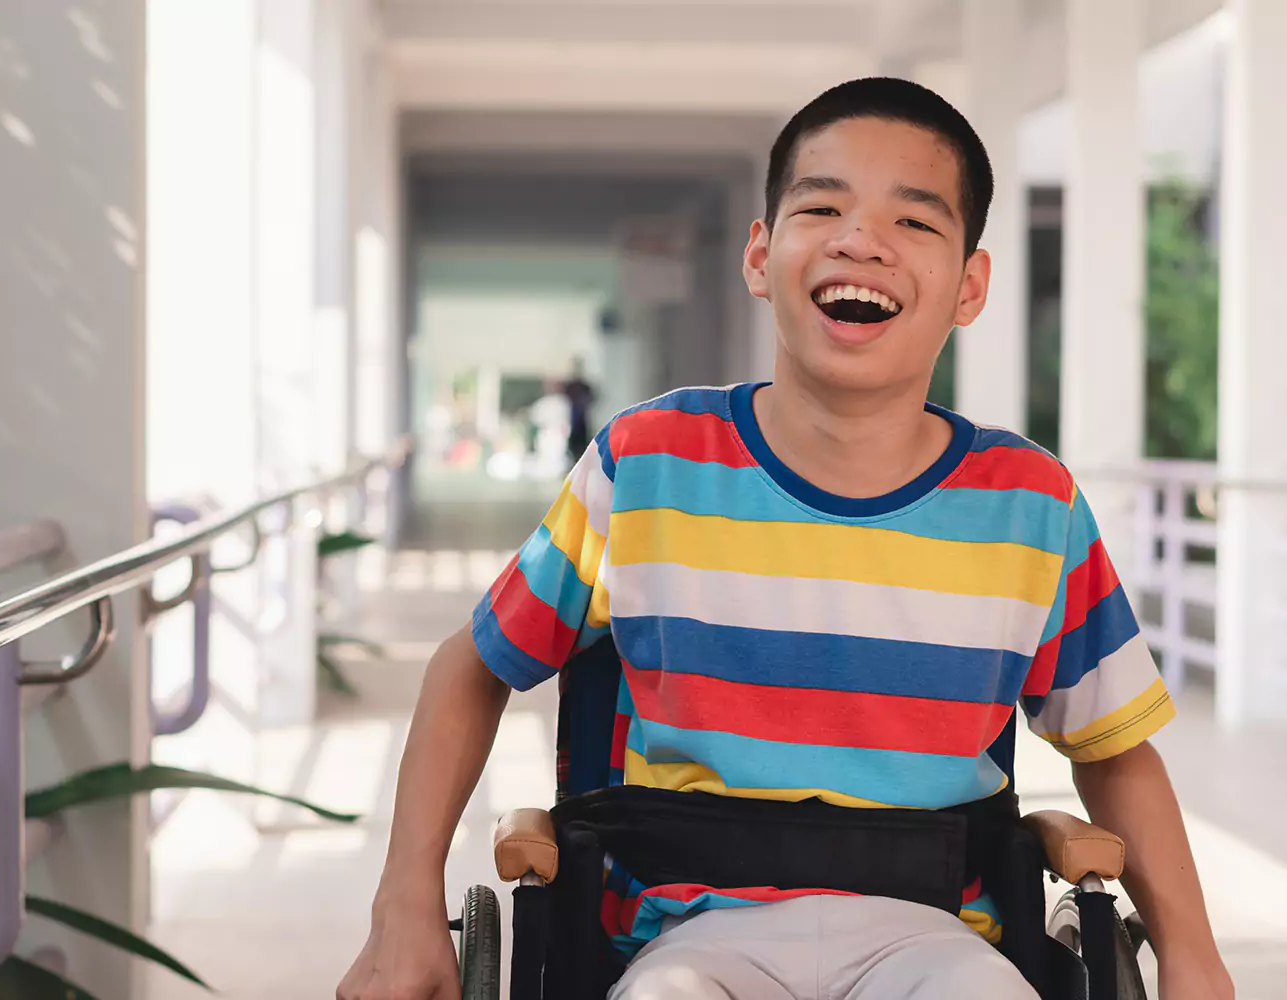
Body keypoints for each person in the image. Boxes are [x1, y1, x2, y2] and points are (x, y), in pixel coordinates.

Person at [336, 77, 1233, 1000]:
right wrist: (404, 905)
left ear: (970, 286)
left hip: (933, 937)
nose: (862, 239)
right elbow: (473, 665)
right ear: (761, 255)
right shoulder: (645, 466)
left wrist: (1196, 961)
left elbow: (1114, 747)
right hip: (688, 935)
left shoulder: (1029, 505)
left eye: (916, 222)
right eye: (823, 206)